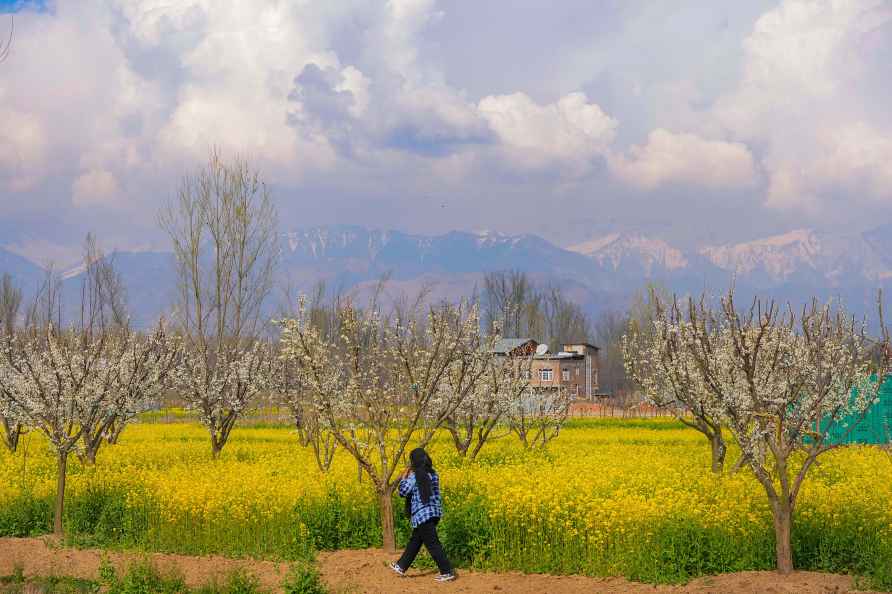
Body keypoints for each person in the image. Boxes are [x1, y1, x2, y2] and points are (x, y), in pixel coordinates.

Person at [390, 447, 456, 582]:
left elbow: (403, 492)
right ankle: (401, 566)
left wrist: (404, 478)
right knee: (416, 540)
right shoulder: (434, 474)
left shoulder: (415, 476)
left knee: (432, 543)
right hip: (434, 513)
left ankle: (447, 571)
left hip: (422, 515)